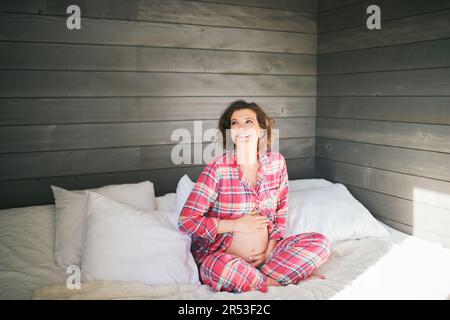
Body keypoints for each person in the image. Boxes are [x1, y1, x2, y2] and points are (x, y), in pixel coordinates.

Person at [178, 99, 330, 293]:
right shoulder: (218, 169)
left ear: (261, 129)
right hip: (222, 258)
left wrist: (270, 250)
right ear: (229, 132)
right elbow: (186, 221)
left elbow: (280, 212)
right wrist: (236, 225)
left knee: (320, 243)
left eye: (248, 121)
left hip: (268, 257)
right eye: (234, 123)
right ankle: (279, 279)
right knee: (216, 268)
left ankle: (259, 278)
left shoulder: (277, 163)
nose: (241, 127)